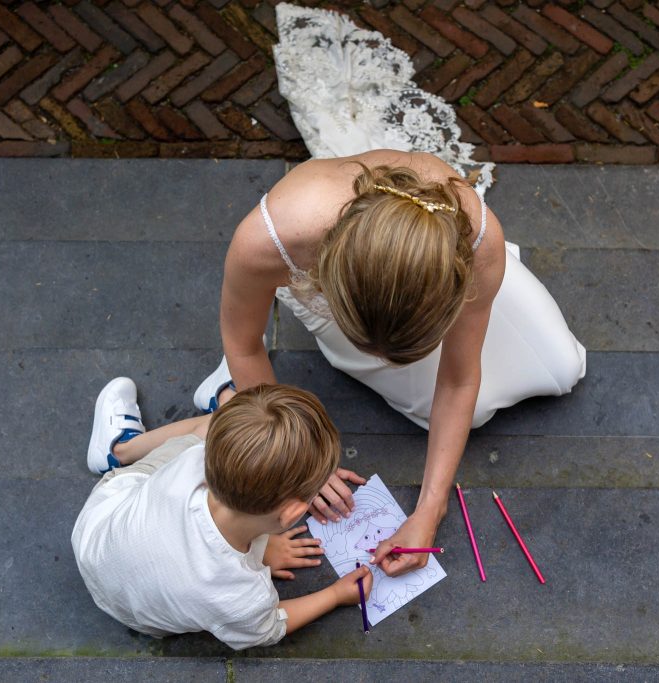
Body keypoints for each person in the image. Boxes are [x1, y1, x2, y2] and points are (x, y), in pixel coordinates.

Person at [194, 149, 586, 578]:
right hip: (316, 260)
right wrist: (299, 462)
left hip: (440, 255)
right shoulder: (269, 238)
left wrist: (430, 510)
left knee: (562, 367)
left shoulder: (478, 242)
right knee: (473, 413)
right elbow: (243, 345)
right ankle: (228, 391)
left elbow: (457, 379)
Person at [72, 377, 372, 650]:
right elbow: (270, 627)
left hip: (95, 534)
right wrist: (335, 596)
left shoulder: (195, 459)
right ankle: (119, 447)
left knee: (202, 428)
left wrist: (264, 545)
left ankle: (124, 447)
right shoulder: (244, 595)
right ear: (293, 511)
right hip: (142, 617)